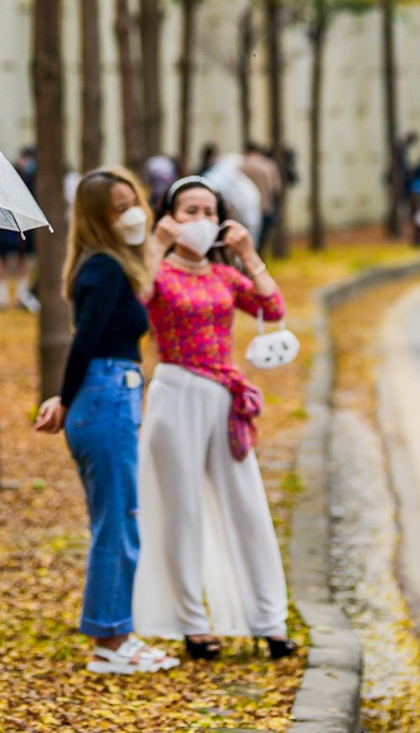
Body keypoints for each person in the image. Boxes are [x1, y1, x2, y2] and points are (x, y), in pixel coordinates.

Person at [134, 176, 295, 660]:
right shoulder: (158, 272)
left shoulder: (225, 277)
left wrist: (248, 254)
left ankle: (269, 619)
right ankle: (192, 622)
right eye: (190, 211)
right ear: (170, 216)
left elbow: (273, 307)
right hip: (175, 391)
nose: (200, 220)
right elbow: (132, 303)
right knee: (181, 510)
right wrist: (155, 245)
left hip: (223, 395)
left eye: (209, 211)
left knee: (246, 507)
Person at [32, 168, 179, 676]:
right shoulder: (103, 271)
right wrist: (67, 399)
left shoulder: (113, 267)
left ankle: (118, 634)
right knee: (117, 522)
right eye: (119, 207)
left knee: (118, 519)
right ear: (99, 218)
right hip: (105, 395)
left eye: (132, 200)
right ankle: (109, 641)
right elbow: (85, 342)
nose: (132, 212)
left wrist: (66, 398)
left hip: (111, 395)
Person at [0, 146, 39, 312]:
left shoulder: (30, 177)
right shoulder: (11, 175)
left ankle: (21, 297)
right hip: (6, 227)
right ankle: (3, 299)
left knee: (22, 262)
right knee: (4, 262)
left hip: (22, 227)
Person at [240, 143, 285, 249]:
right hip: (264, 206)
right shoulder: (268, 165)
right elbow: (276, 188)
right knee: (262, 240)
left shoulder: (240, 166)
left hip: (244, 208)